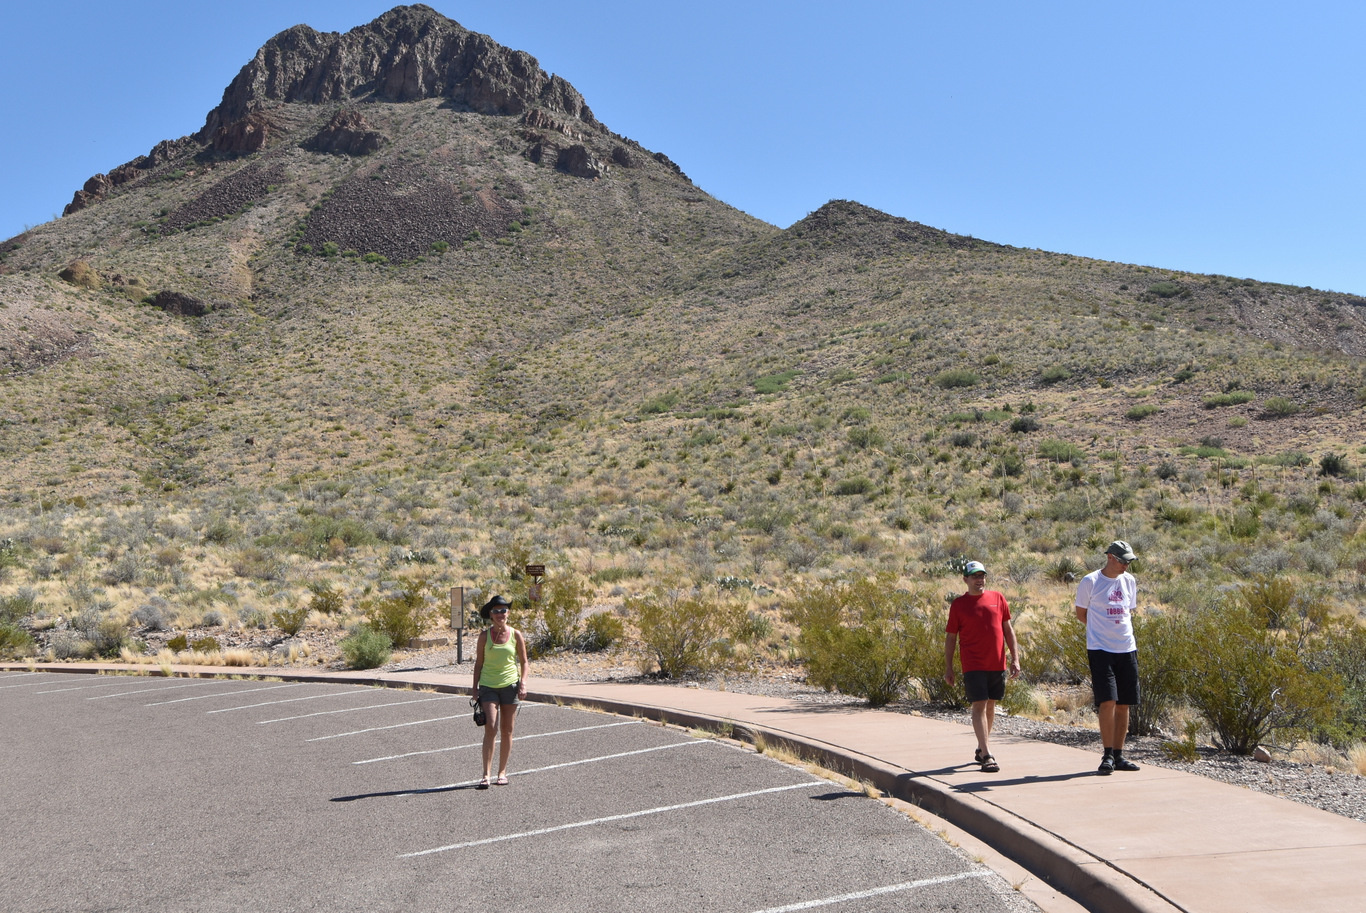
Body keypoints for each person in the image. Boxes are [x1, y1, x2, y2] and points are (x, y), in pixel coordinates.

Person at [944, 560, 1021, 773]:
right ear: (965, 579)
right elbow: (951, 638)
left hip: (996, 662)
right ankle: (987, 754)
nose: (980, 580)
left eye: (982, 576)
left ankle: (980, 747)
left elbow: (1008, 630)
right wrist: (948, 667)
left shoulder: (998, 598)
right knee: (979, 703)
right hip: (973, 663)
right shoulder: (959, 605)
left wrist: (1015, 658)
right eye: (975, 576)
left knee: (990, 705)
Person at [1074, 540, 1141, 775]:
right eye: (1123, 561)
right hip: (1101, 649)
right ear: (1110, 557)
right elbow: (1081, 613)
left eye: (1129, 561)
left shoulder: (1129, 581)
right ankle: (1108, 754)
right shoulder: (1091, 581)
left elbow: (1128, 611)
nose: (1126, 566)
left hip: (1126, 648)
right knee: (1108, 701)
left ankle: (1120, 755)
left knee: (1124, 704)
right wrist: (1098, 630)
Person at [472, 594, 528, 788]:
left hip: (510, 686)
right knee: (491, 727)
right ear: (490, 614)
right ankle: (485, 774)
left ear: (508, 613)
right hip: (488, 686)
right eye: (496, 611)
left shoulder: (516, 635)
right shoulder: (484, 636)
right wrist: (474, 689)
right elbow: (478, 664)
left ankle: (502, 772)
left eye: (503, 610)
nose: (500, 614)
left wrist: (523, 683)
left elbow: (524, 662)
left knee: (507, 730)